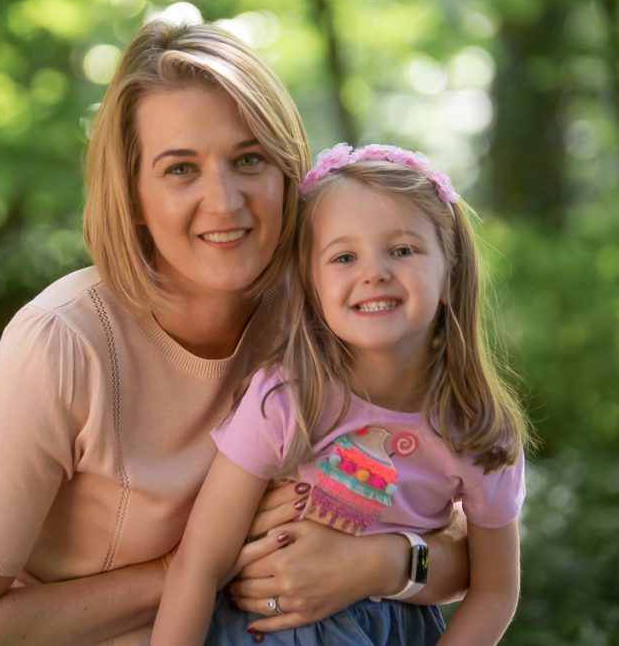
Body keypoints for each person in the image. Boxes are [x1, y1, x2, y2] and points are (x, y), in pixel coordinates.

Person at [0, 22, 471, 646]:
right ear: (134, 195)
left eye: (248, 159)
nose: (225, 201)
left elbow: (463, 534)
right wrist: (196, 565)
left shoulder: (328, 314)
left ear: (287, 171)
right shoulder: (62, 344)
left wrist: (381, 563)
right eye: (180, 169)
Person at [152, 143, 529, 645]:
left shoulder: (477, 429)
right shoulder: (284, 399)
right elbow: (198, 565)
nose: (373, 272)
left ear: (450, 272)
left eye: (402, 250)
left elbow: (495, 592)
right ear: (312, 286)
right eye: (344, 257)